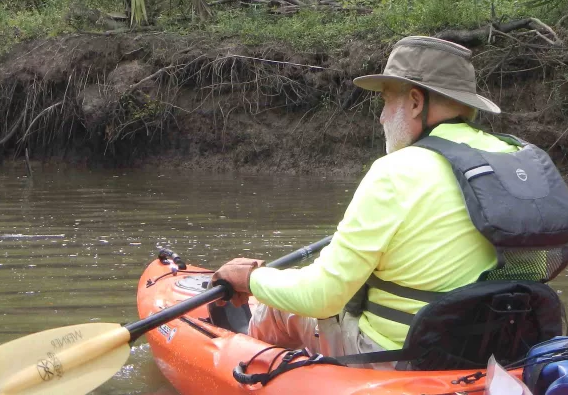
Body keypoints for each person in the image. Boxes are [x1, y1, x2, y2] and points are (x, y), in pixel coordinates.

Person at [212, 35, 523, 362]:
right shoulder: (512, 157)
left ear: (416, 102)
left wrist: (250, 278)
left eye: (387, 102)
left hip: (398, 357)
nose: (382, 118)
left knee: (277, 309)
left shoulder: (397, 170)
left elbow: (322, 297)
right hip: (493, 350)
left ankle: (242, 367)